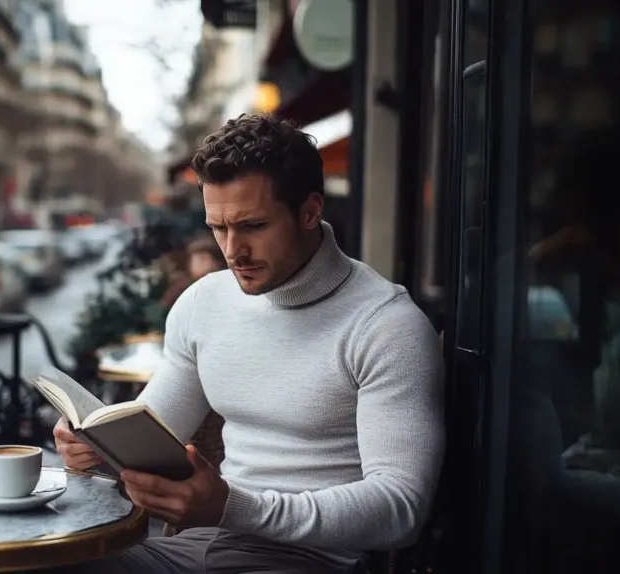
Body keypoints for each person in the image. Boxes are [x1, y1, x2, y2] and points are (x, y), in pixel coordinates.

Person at [52, 113, 445, 573]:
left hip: (311, 560)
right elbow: (154, 433)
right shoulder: (203, 303)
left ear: (310, 212)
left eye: (253, 226)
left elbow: (401, 508)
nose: (232, 251)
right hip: (202, 544)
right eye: (218, 228)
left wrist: (233, 508)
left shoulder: (386, 325)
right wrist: (98, 451)